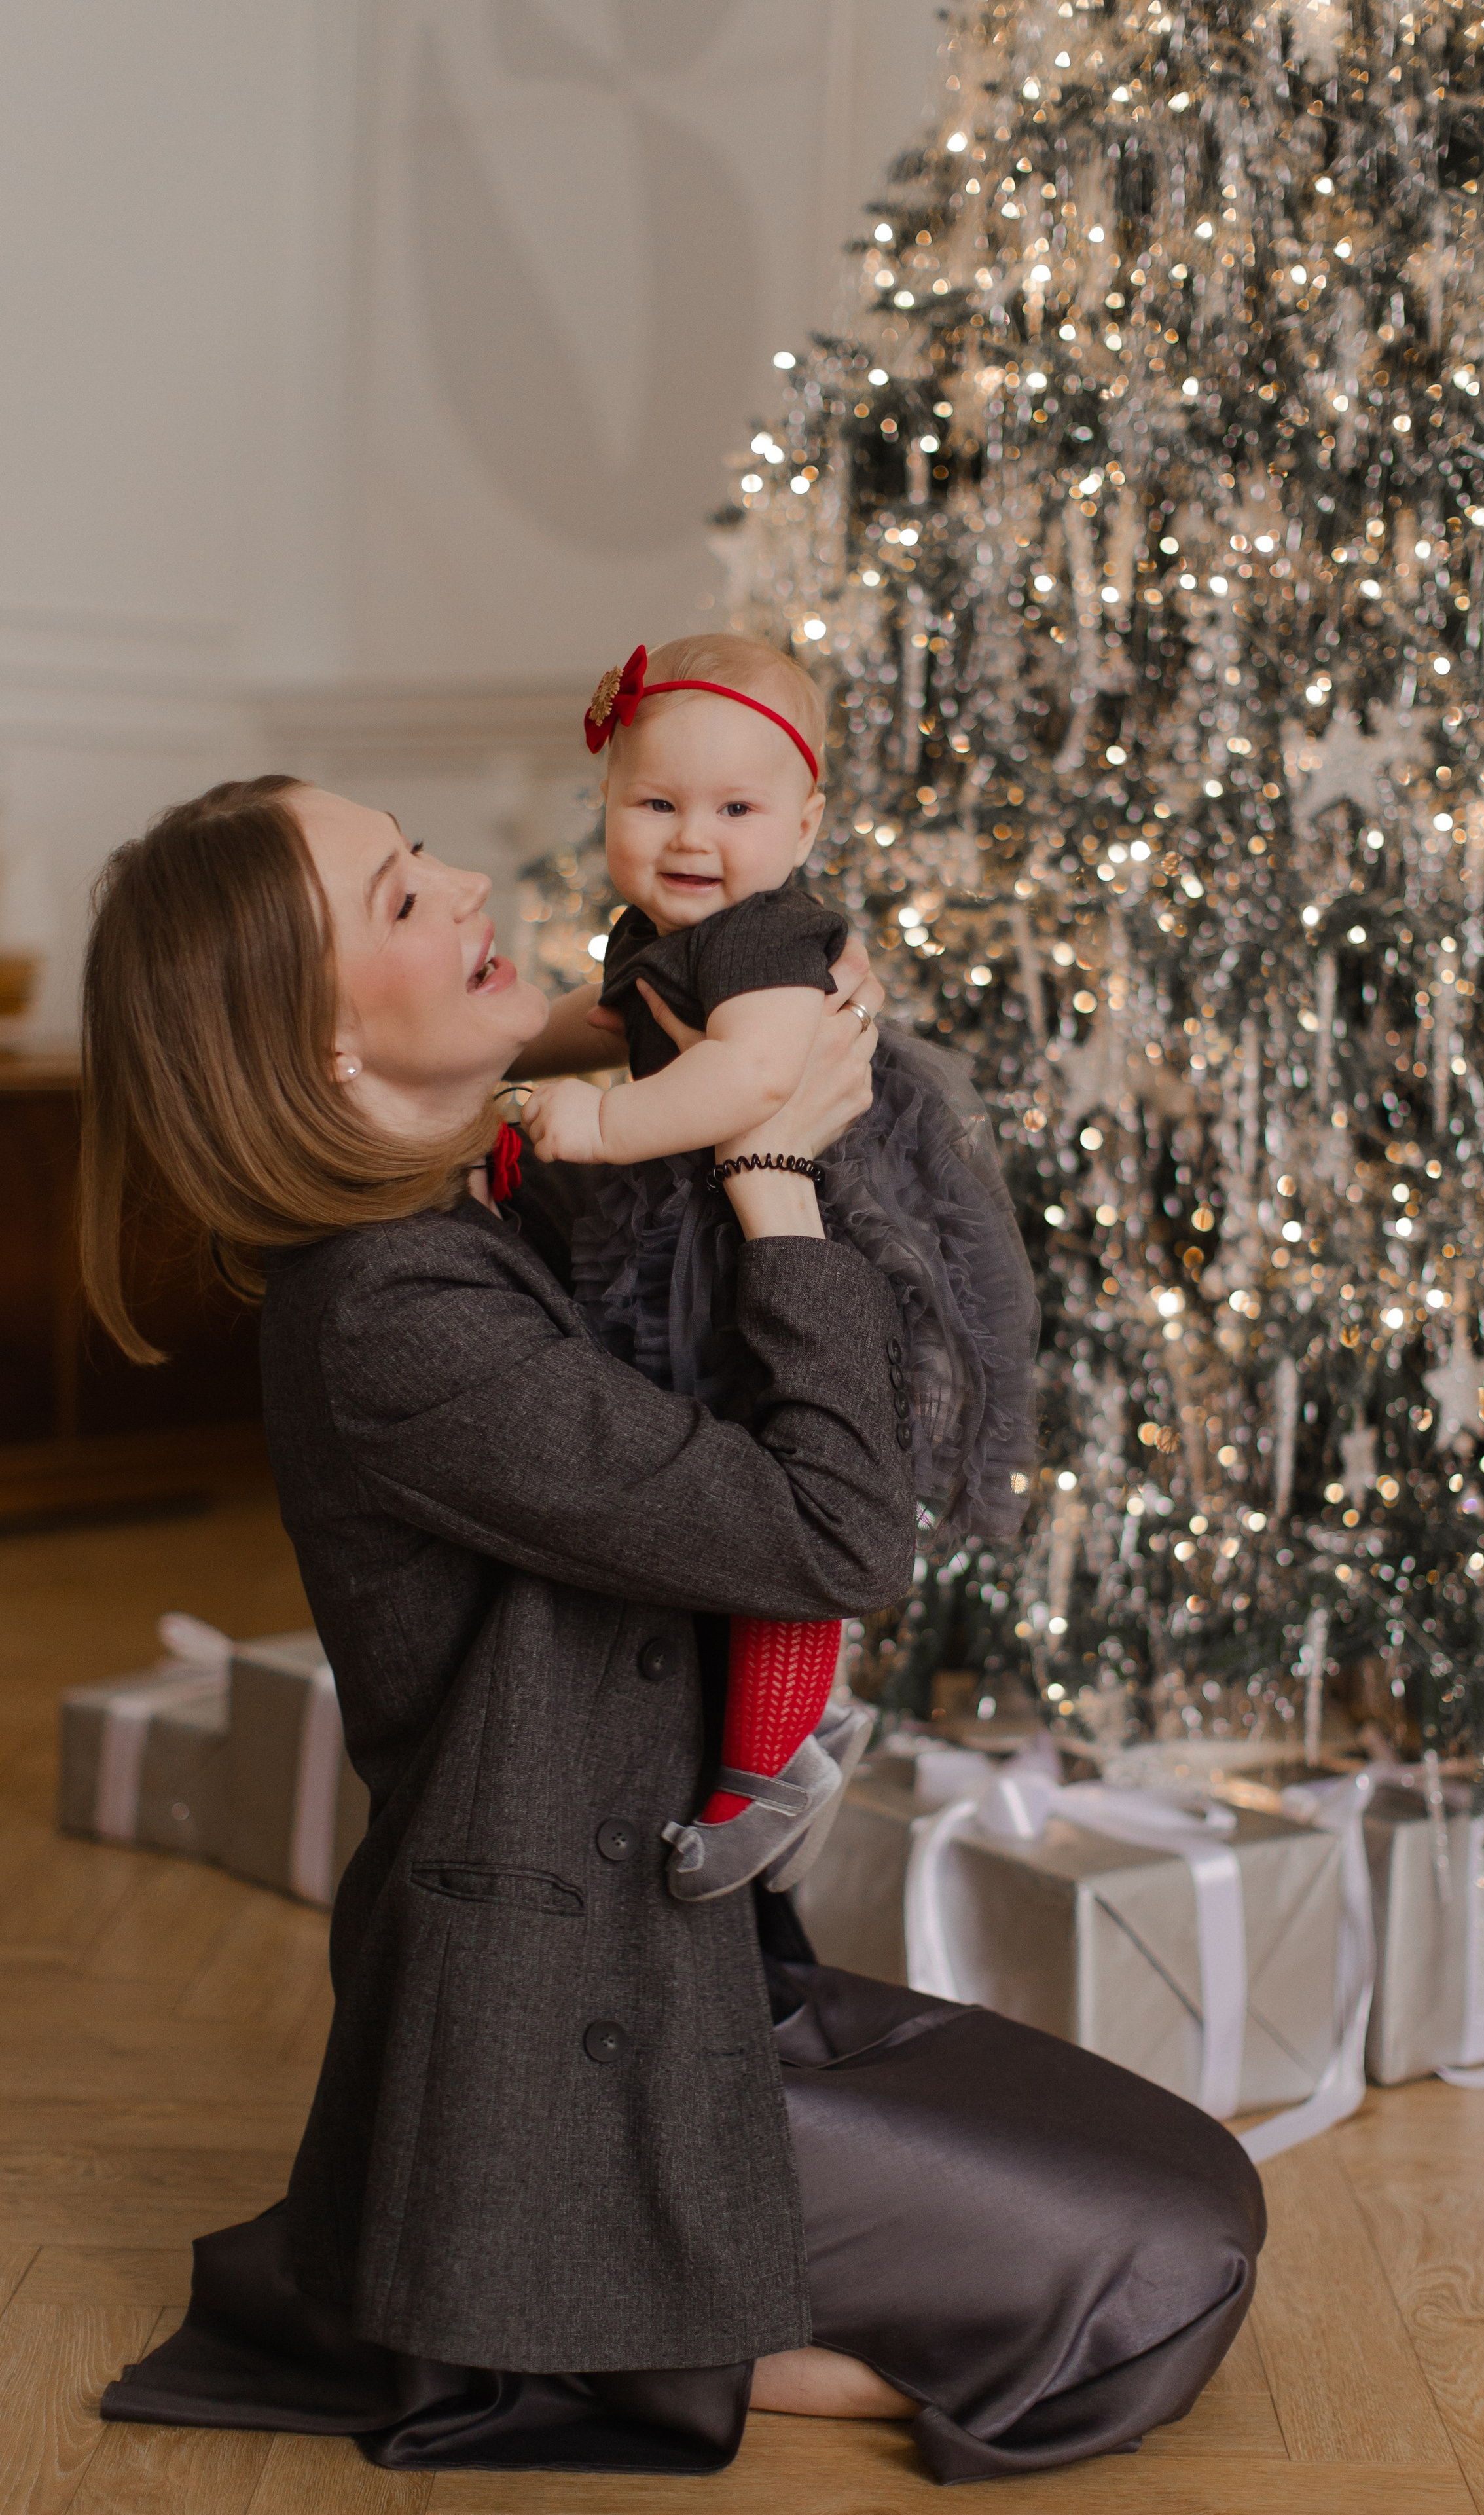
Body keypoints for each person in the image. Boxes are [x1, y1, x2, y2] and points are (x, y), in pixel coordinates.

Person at [81, 775, 1265, 2484]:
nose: (473, 881)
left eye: (424, 857)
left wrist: (772, 1015)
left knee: (1196, 2177)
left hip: (681, 1955)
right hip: (561, 2018)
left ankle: (655, 2283)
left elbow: (690, 1118)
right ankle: (612, 2309)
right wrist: (772, 1157)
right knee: (1168, 2259)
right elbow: (835, 1536)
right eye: (405, 902)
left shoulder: (486, 1193)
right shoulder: (389, 1319)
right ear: (325, 1051)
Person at [509, 633, 1040, 1903]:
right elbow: (613, 1016)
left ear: (804, 822)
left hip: (792, 1227)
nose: (692, 836)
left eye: (735, 809)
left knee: (785, 1497)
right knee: (739, 1495)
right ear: (607, 806)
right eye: (655, 804)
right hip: (698, 1224)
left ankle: (770, 1768)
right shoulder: (663, 927)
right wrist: (511, 1046)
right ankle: (786, 1733)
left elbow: (747, 1077)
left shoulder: (759, 936)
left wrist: (586, 1121)